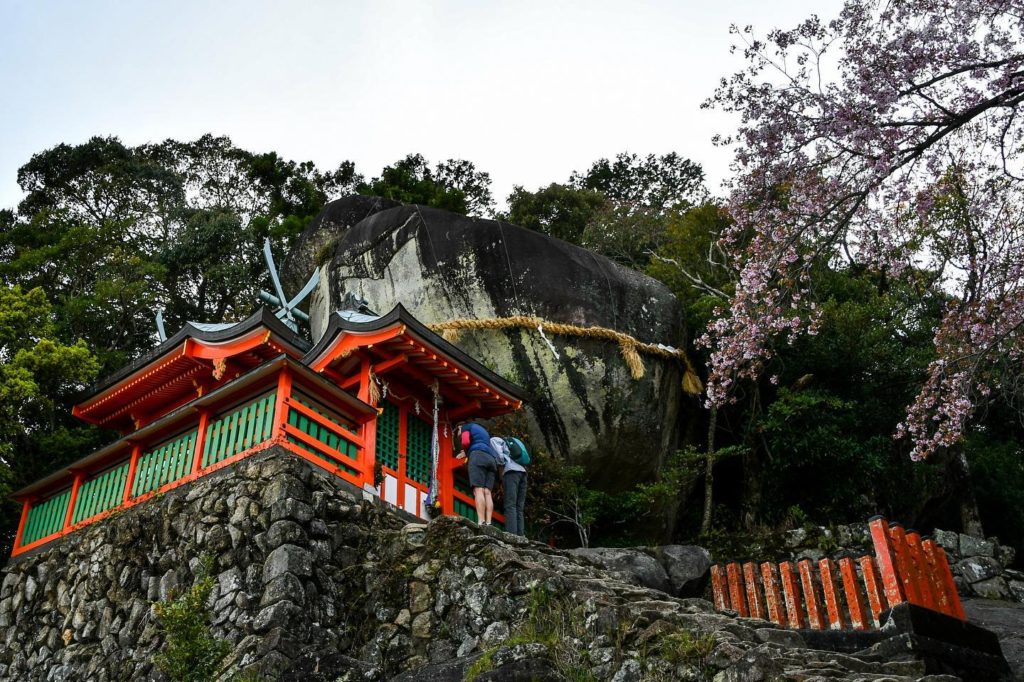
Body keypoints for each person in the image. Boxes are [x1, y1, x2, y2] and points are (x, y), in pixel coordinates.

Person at [455, 421, 497, 525]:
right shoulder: (484, 431)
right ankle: (488, 522)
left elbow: (465, 442)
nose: (458, 434)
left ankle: (481, 520)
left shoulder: (466, 427)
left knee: (478, 490)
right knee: (487, 492)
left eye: (457, 432)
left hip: (478, 456)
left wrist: (465, 452)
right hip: (491, 459)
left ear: (460, 427)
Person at [491, 436, 527, 536]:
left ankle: (512, 535)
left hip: (511, 472)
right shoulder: (510, 444)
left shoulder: (494, 440)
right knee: (519, 507)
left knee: (510, 505)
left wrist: (501, 468)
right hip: (523, 472)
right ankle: (521, 535)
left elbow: (499, 456)